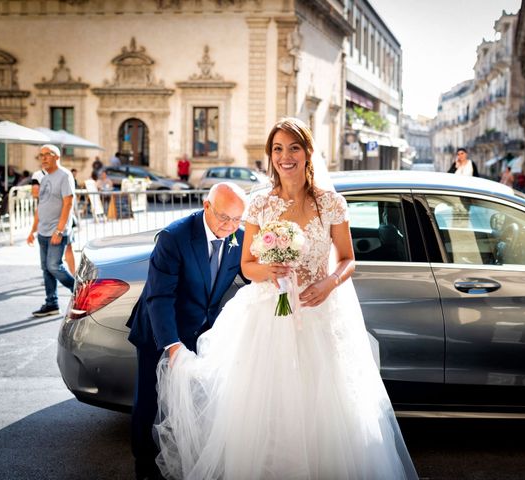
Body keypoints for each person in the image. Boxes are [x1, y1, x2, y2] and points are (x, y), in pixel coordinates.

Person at [153, 118, 418, 479]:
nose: (285, 156)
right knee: (267, 411)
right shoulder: (260, 205)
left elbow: (348, 259)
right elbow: (248, 266)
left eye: (293, 147)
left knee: (323, 410)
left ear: (308, 152)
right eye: (277, 149)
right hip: (269, 318)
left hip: (319, 312)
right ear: (270, 156)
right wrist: (273, 271)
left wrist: (330, 283)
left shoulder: (331, 204)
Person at [126, 182, 248, 480]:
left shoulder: (238, 237)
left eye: (236, 219)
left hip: (199, 332)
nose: (229, 226)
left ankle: (183, 462)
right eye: (224, 218)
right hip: (159, 329)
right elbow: (159, 297)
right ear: (206, 206)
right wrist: (172, 345)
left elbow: (247, 275)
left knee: (190, 403)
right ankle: (144, 467)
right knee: (149, 401)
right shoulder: (175, 237)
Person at [27, 144, 75, 317]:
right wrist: (33, 230)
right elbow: (41, 205)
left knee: (54, 266)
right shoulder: (45, 178)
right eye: (41, 155)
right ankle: (51, 303)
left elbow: (68, 203)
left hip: (57, 231)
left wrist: (59, 230)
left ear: (57, 156)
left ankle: (78, 290)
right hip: (43, 231)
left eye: (48, 154)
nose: (44, 157)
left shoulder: (65, 176)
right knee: (46, 269)